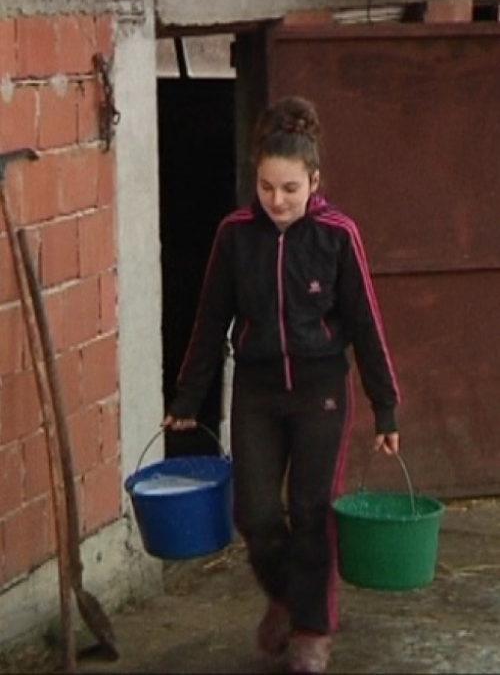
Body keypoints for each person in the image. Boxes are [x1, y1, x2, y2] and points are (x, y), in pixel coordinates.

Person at [163, 95, 400, 674]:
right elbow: (210, 318)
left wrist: (386, 406)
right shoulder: (234, 235)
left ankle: (313, 631)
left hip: (321, 390)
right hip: (257, 390)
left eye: (290, 189)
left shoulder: (339, 234)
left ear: (314, 181)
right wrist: (188, 398)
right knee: (256, 513)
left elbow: (366, 322)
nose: (277, 201)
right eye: (267, 187)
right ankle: (286, 598)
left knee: (312, 510)